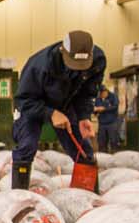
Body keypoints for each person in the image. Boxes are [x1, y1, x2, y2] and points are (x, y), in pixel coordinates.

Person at [12, 31, 105, 191]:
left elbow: (87, 92)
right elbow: (23, 100)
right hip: (33, 103)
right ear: (63, 51)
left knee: (84, 152)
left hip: (66, 103)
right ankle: (19, 194)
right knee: (26, 147)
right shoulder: (39, 65)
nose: (77, 68)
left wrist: (84, 116)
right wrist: (51, 113)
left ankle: (86, 196)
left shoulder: (97, 61)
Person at [94, 85, 122, 153]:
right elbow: (95, 108)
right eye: (101, 93)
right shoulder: (98, 99)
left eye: (103, 93)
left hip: (112, 122)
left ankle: (115, 155)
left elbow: (115, 107)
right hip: (102, 123)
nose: (102, 95)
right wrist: (95, 111)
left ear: (106, 91)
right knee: (101, 142)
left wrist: (104, 109)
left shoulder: (113, 96)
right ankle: (103, 156)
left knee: (113, 141)